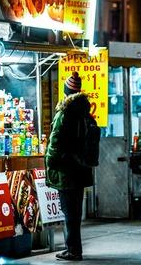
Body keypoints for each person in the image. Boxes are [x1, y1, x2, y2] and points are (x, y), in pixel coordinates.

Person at [45, 72, 93, 261]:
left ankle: (72, 250)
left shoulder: (64, 114)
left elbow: (55, 143)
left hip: (66, 171)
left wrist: (49, 162)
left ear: (66, 92)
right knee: (75, 212)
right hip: (80, 169)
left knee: (69, 213)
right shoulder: (84, 112)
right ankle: (74, 248)